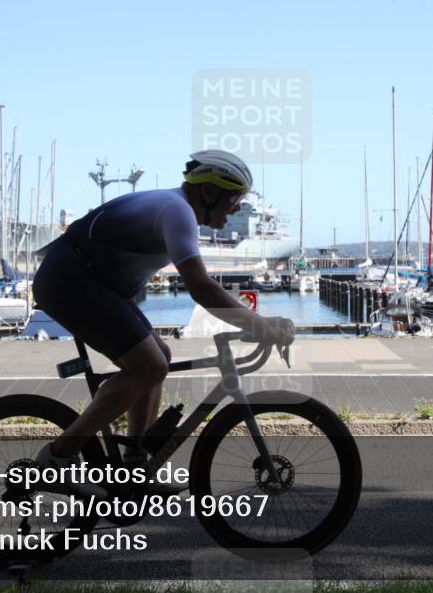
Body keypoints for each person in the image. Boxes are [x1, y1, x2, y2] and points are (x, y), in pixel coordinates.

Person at [31, 150, 295, 495]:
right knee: (148, 367)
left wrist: (253, 322)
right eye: (234, 198)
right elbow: (200, 286)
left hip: (89, 281)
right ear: (210, 192)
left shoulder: (177, 208)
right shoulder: (178, 212)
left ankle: (134, 469)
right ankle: (56, 459)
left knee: (159, 359)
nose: (237, 207)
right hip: (70, 280)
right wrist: (260, 324)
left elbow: (203, 287)